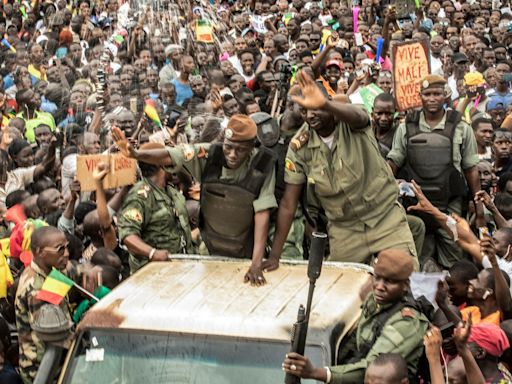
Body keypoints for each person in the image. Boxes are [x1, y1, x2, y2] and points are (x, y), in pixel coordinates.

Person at [269, 71, 417, 267]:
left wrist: (325, 104)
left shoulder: (350, 121)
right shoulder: (299, 147)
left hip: (385, 219)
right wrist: (275, 256)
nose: (311, 115)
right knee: (342, 291)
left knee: (404, 279)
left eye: (316, 108)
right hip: (344, 230)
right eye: (304, 111)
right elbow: (289, 203)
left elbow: (359, 116)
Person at [113, 115, 277, 284]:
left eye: (240, 150)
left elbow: (262, 213)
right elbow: (171, 155)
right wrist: (137, 154)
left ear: (251, 147)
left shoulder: (262, 165)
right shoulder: (209, 154)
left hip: (246, 252)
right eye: (228, 147)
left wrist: (256, 263)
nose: (232, 155)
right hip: (209, 252)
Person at [282, 249, 429, 382]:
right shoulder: (375, 302)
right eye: (377, 278)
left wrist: (318, 373)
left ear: (406, 285)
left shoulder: (407, 322)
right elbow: (355, 346)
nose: (379, 287)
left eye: (389, 282)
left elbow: (372, 371)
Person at [387, 74, 481, 269]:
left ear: (446, 95)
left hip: (449, 205)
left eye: (437, 94)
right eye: (427, 94)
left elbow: (471, 170)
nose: (432, 98)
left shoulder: (461, 128)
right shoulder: (406, 127)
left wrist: (478, 206)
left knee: (454, 259)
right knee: (413, 259)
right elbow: (393, 164)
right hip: (414, 204)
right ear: (420, 96)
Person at [117, 142, 195, 274]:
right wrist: (152, 253)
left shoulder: (169, 189)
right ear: (162, 164)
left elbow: (187, 179)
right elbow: (127, 235)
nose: (173, 162)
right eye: (169, 159)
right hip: (154, 273)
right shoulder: (140, 195)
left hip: (180, 267)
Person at [14, 226, 74, 383]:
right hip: (42, 370)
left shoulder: (49, 272)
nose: (66, 253)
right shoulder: (36, 288)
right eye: (60, 249)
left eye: (67, 247)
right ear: (40, 252)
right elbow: (48, 339)